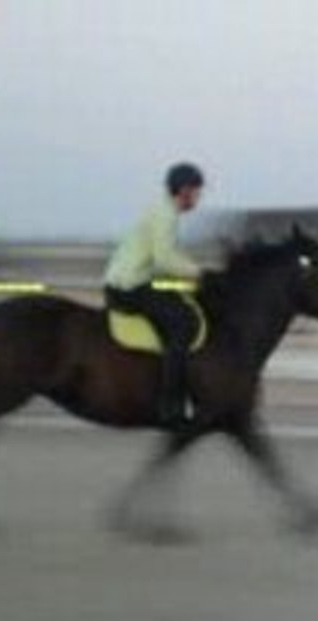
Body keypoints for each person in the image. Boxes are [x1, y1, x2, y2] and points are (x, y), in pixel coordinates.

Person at [104, 162, 204, 426]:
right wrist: (199, 274)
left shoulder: (162, 210)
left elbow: (165, 259)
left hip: (131, 282)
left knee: (180, 304)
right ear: (183, 191)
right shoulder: (166, 214)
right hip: (129, 288)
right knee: (184, 323)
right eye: (196, 192)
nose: (197, 198)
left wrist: (188, 274)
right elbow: (164, 260)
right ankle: (171, 408)